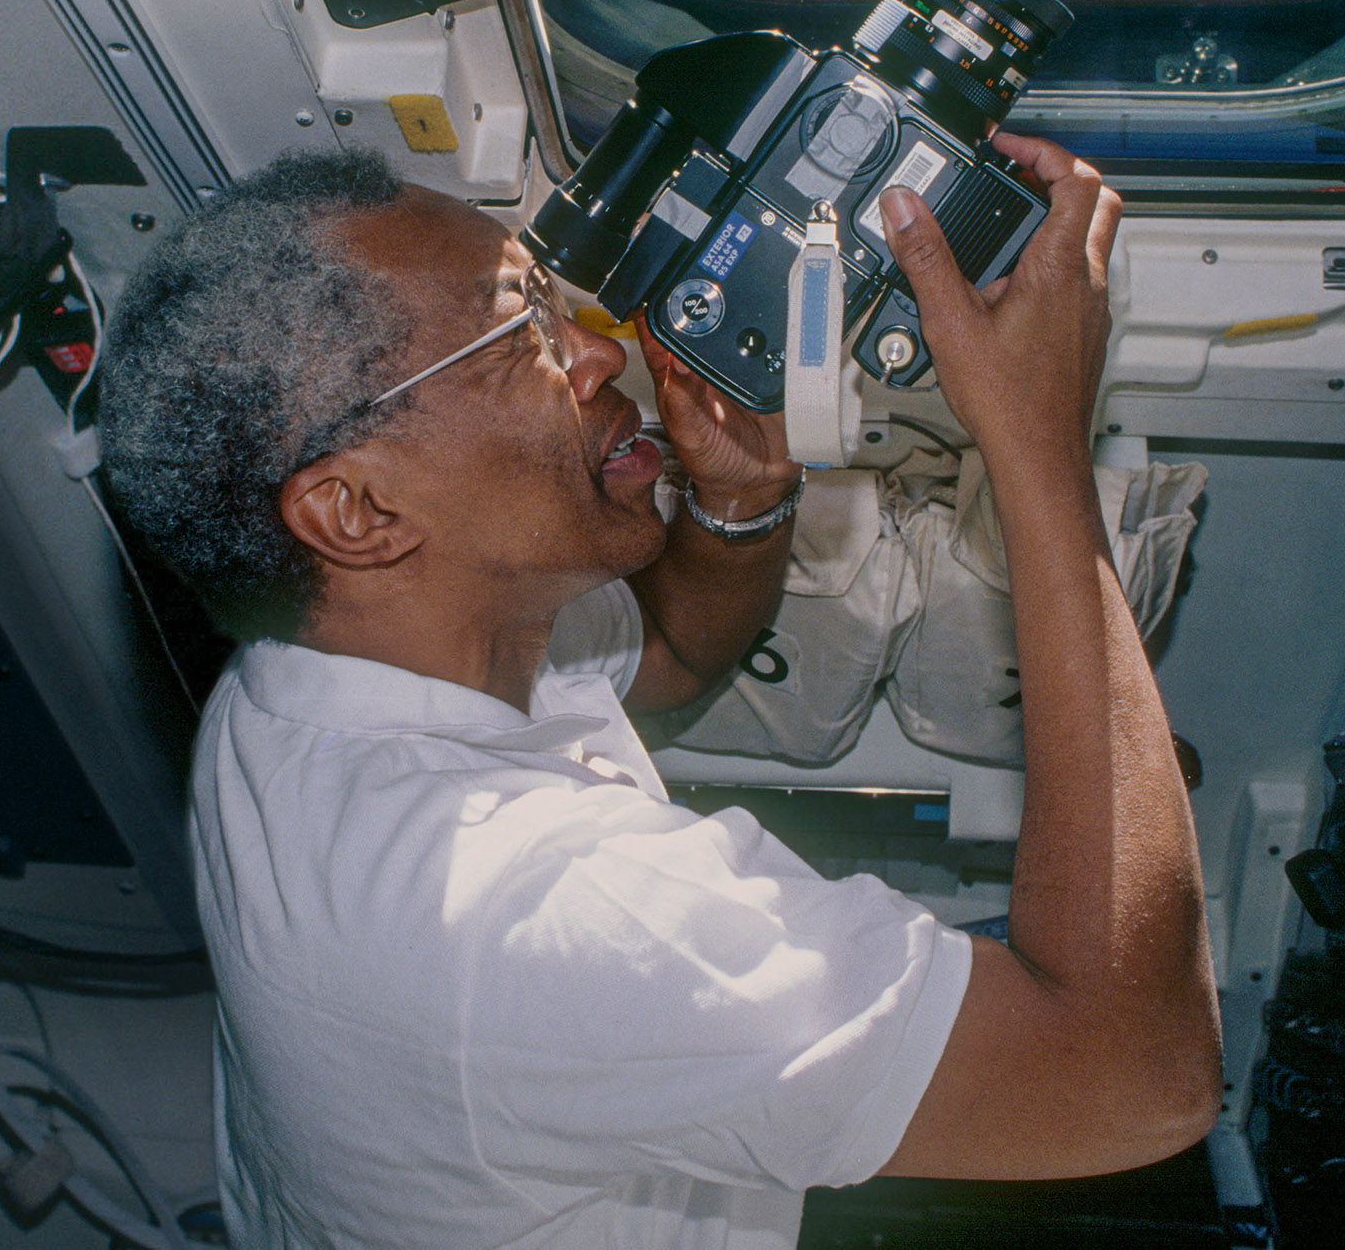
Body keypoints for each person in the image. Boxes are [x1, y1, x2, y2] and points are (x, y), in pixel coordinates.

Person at [95, 135, 1220, 1247]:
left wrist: (741, 499)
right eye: (522, 336)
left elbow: (673, 649)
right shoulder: (542, 915)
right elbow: (1139, 1074)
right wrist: (1036, 441)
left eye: (556, 302)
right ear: (358, 511)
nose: (595, 352)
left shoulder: (296, 679)